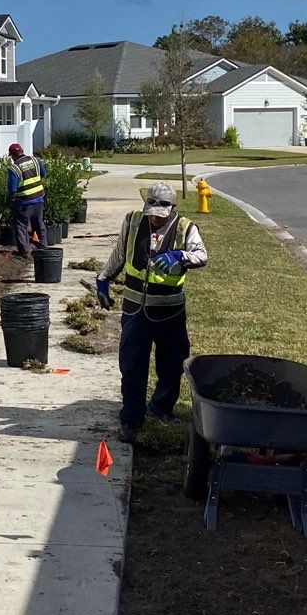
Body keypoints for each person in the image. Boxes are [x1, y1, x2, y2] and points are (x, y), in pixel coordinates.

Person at [96, 181, 207, 438]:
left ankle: (161, 407)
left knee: (171, 364)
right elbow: (120, 252)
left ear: (173, 207)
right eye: (152, 215)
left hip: (170, 310)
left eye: (160, 216)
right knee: (132, 365)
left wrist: (180, 256)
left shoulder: (185, 227)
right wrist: (104, 279)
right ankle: (132, 418)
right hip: (135, 310)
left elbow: (202, 255)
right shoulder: (133, 221)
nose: (155, 220)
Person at [6, 141, 48, 258]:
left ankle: (24, 251)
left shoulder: (14, 168)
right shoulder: (35, 160)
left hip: (24, 202)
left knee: (21, 225)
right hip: (39, 198)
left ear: (13, 155)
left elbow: (12, 189)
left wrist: (8, 198)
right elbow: (44, 174)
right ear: (22, 152)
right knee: (38, 222)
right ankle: (43, 247)